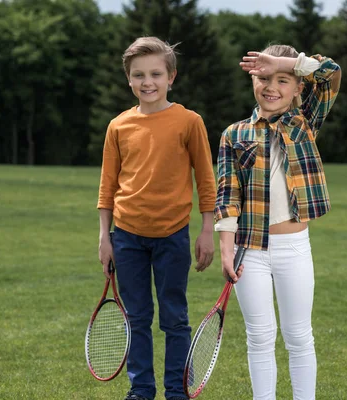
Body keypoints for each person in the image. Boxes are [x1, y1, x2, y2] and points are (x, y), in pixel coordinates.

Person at [214, 45, 342, 400]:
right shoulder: (234, 134)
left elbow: (330, 73)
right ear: (252, 81)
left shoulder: (305, 122)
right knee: (259, 336)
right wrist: (226, 249)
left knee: (299, 335)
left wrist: (288, 63)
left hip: (294, 249)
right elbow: (227, 196)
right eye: (263, 77)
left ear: (298, 86)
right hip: (248, 251)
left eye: (282, 79)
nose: (272, 86)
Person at [97, 36, 217, 400]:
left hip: (173, 236)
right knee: (136, 318)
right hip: (127, 236)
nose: (147, 82)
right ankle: (141, 390)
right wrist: (105, 237)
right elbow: (107, 186)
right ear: (129, 80)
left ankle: (177, 391)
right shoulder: (118, 126)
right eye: (139, 75)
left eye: (155, 74)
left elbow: (206, 179)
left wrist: (207, 230)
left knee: (175, 318)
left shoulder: (188, 121)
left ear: (171, 77)